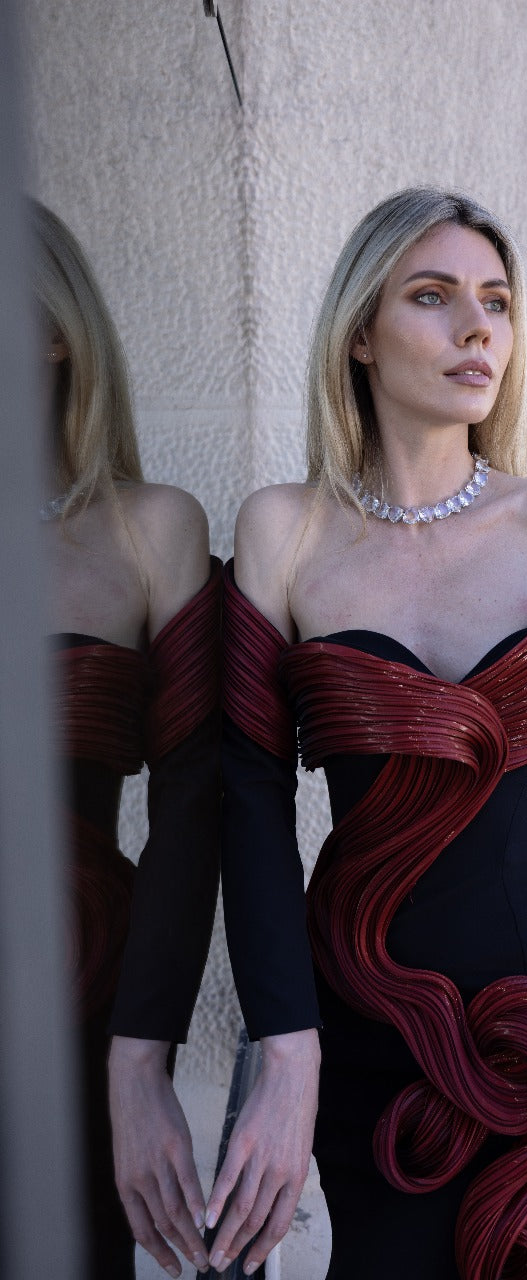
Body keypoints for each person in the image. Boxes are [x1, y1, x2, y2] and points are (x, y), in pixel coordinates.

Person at [213, 187, 527, 1279]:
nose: (477, 328)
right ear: (359, 333)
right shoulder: (283, 533)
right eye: (433, 296)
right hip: (357, 1007)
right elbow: (246, 804)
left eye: (496, 301)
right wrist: (284, 1043)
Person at [32, 199, 221, 1279]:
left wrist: (143, 1057)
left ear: (54, 331)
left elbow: (196, 809)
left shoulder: (152, 531)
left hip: (75, 1005)